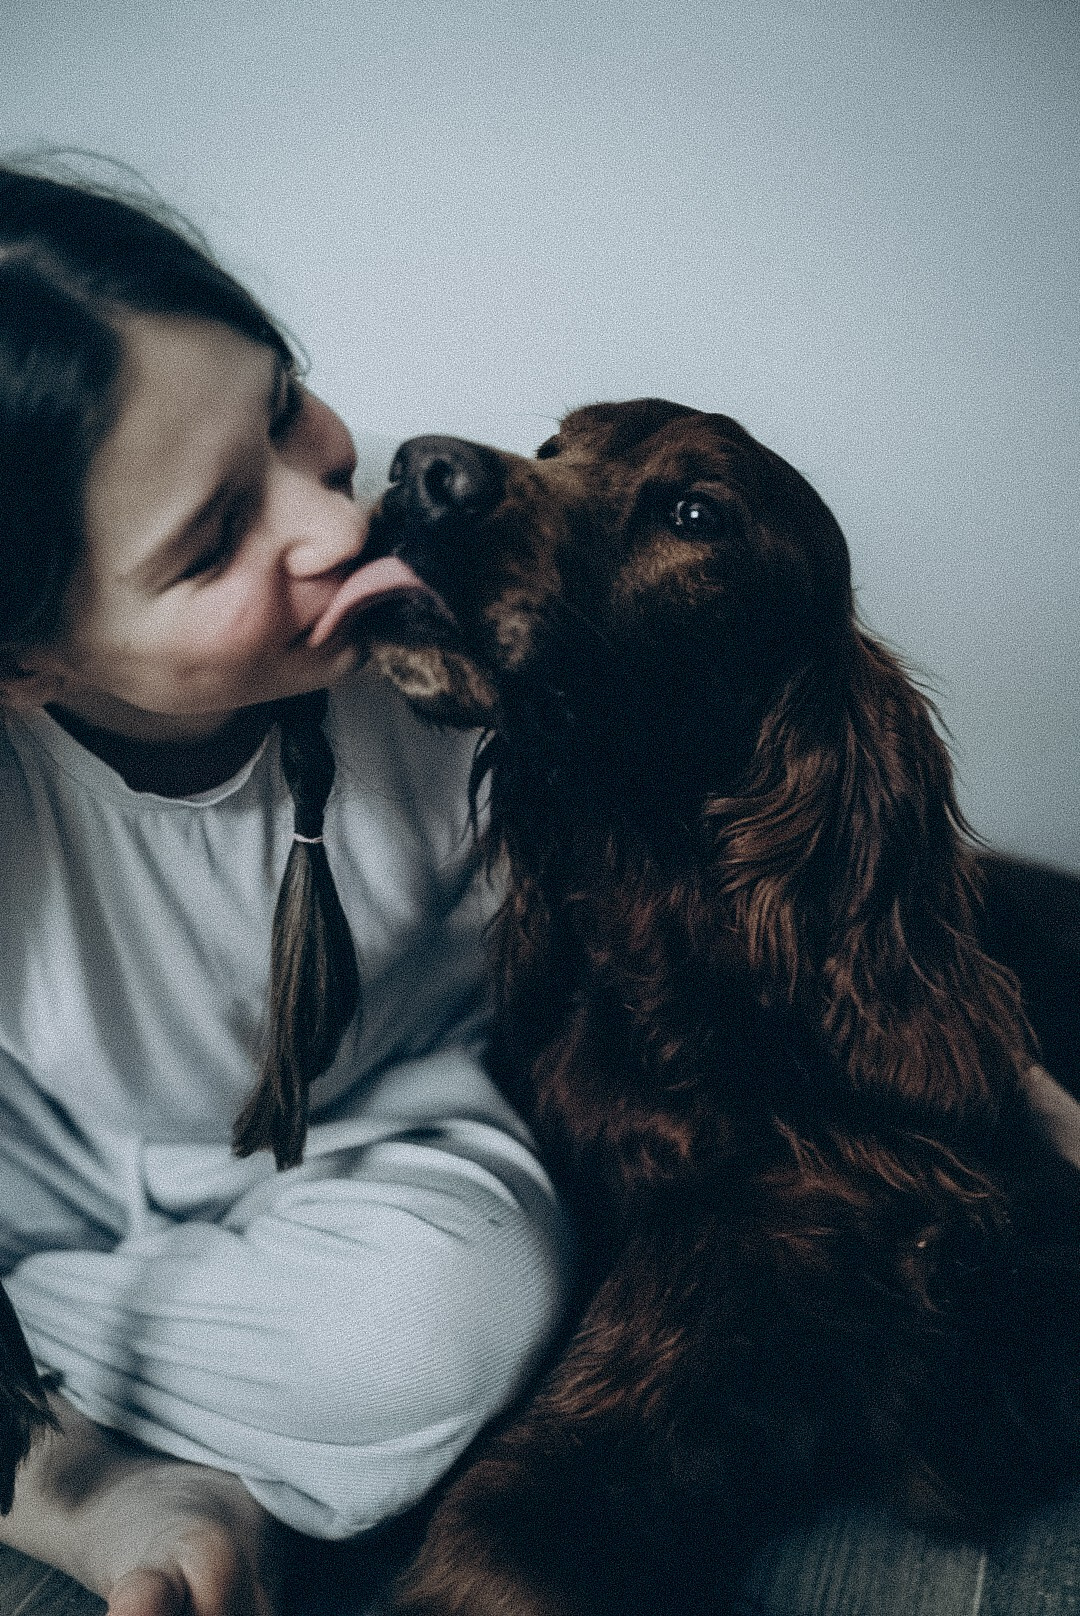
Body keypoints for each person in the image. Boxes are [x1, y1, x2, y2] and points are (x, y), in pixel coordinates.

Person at [0, 162, 574, 1616]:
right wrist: (96, 1502)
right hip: (48, 1149)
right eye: (209, 545)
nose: (329, 524)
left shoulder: (450, 575)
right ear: (24, 666)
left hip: (374, 1129)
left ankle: (93, 1389)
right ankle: (94, 1492)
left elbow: (740, 859)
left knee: (440, 1329)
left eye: (281, 411)